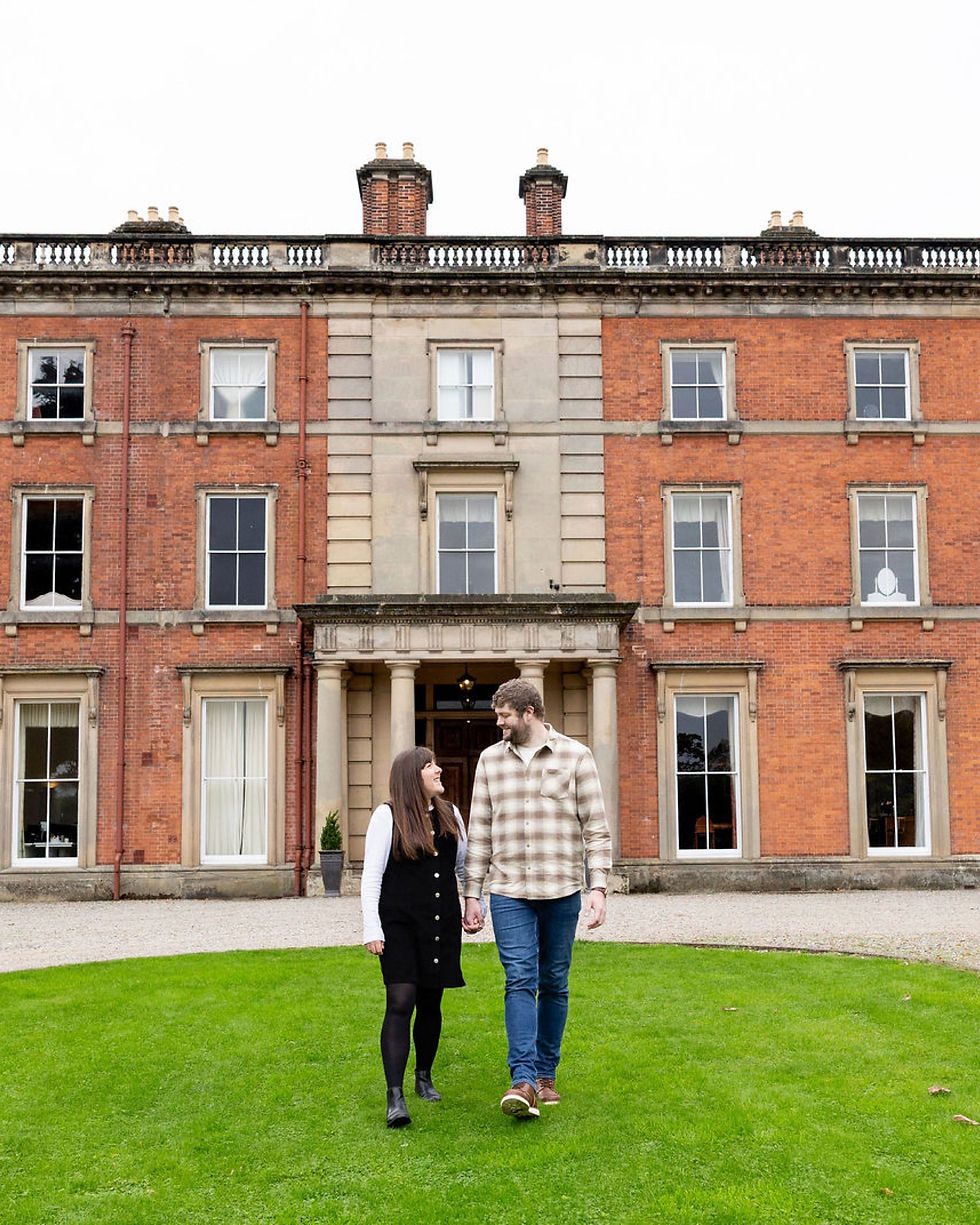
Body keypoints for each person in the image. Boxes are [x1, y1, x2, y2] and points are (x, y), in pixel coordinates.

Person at [462, 677, 610, 1119]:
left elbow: (596, 829)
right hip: (508, 891)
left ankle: (547, 1073)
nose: (499, 723)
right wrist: (472, 894)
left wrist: (598, 887)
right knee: (519, 978)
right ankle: (523, 1079)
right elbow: (480, 832)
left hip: (562, 888)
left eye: (505, 715)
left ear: (529, 713)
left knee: (555, 982)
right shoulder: (490, 760)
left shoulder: (576, 756)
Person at [361, 746, 468, 1128]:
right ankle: (395, 1096)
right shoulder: (386, 816)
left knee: (431, 999)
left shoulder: (450, 813)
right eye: (429, 766)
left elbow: (464, 867)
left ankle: (424, 1076)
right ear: (412, 776)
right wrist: (371, 927)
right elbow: (371, 877)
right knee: (401, 1000)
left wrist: (476, 905)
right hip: (399, 923)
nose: (438, 769)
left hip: (439, 921)